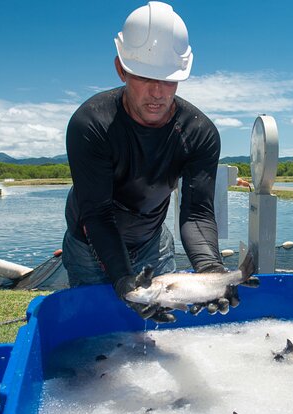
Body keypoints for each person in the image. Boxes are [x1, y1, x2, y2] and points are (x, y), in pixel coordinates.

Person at [62, 1, 236, 323]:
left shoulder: (199, 133)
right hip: (89, 243)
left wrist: (212, 272)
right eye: (144, 76)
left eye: (169, 79)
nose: (157, 93)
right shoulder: (91, 124)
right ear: (121, 69)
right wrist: (123, 279)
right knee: (99, 331)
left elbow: (197, 214)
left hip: (152, 241)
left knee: (159, 336)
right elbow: (97, 214)